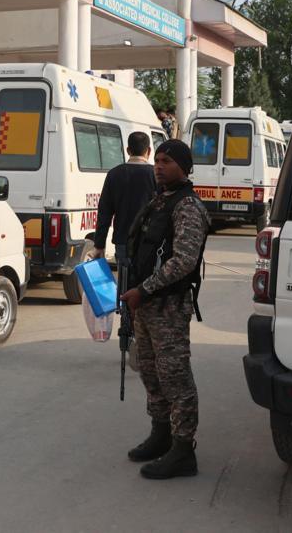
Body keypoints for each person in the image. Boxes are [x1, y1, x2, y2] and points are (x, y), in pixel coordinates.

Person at [120, 139, 210, 480]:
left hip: (167, 306)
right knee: (151, 371)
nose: (159, 166)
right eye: (157, 160)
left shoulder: (187, 206)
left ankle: (184, 450)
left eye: (167, 161)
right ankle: (161, 435)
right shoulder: (160, 200)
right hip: (145, 304)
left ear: (184, 168)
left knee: (175, 377)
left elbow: (184, 261)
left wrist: (144, 290)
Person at [91, 131, 155, 269]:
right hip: (149, 242)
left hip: (122, 242)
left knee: (125, 284)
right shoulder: (155, 174)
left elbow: (104, 213)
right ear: (149, 151)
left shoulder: (114, 174)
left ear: (128, 150)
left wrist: (99, 245)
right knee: (145, 284)